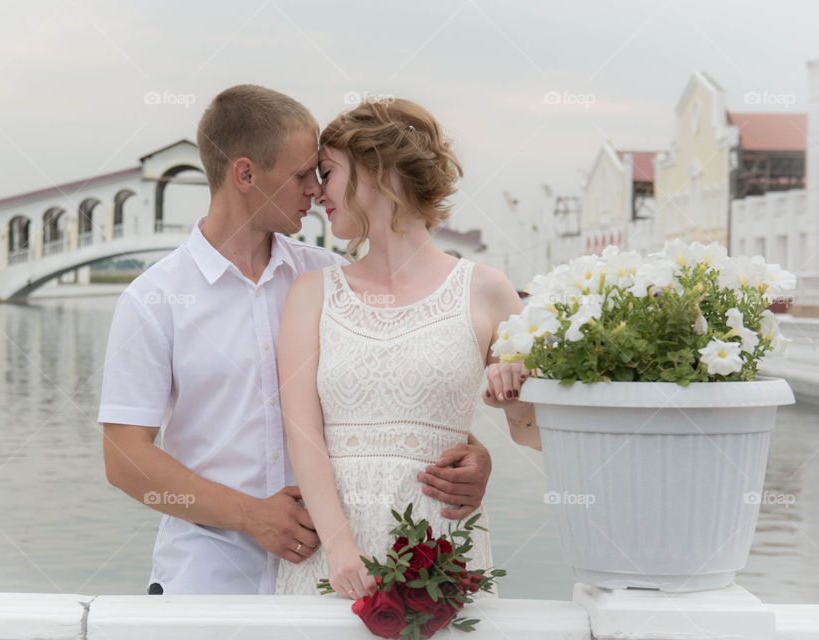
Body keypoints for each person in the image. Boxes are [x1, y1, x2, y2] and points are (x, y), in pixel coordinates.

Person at [98, 84, 494, 596]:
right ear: (245, 174)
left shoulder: (333, 280)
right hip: (206, 580)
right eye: (302, 174)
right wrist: (251, 516)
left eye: (321, 174)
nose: (317, 189)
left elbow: (390, 400)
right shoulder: (152, 299)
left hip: (330, 582)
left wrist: (471, 454)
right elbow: (124, 458)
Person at [274, 98, 541, 599]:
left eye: (327, 173)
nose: (316, 193)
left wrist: (517, 397)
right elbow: (302, 435)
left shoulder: (487, 289)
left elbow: (535, 436)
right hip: (335, 555)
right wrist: (340, 552)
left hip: (440, 549)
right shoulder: (311, 293)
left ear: (379, 169)